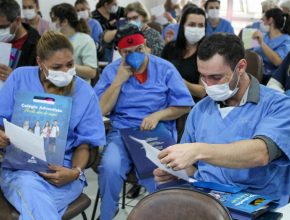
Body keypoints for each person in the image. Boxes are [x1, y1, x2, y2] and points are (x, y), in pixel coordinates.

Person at [154, 33, 290, 207]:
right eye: (203, 76)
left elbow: (260, 153)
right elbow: (193, 168)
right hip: (206, 198)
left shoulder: (278, 106)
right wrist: (177, 172)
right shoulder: (201, 109)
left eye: (216, 77)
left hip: (254, 203)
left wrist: (198, 150)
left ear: (241, 67)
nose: (208, 85)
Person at [0, 31, 106, 219]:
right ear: (40, 63)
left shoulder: (84, 92)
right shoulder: (19, 78)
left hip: (64, 173)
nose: (66, 72)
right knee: (33, 194)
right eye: (57, 67)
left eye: (70, 64)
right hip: (21, 169)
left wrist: (74, 172)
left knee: (34, 207)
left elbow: (85, 145)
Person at [94, 24, 194, 220]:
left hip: (156, 131)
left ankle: (161, 214)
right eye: (128, 52)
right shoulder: (112, 71)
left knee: (158, 175)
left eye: (139, 49)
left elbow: (184, 106)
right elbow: (99, 110)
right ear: (119, 52)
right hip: (121, 132)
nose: (135, 55)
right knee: (109, 166)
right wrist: (117, 82)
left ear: (146, 45)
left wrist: (158, 115)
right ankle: (107, 213)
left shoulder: (165, 69)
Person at [162, 6, 206, 101]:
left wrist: (180, 82)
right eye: (192, 24)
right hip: (167, 100)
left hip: (191, 105)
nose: (196, 29)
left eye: (201, 25)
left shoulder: (207, 53)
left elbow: (202, 92)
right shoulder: (170, 48)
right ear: (183, 26)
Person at [50, 3, 97, 83]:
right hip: (55, 88)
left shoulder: (85, 40)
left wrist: (66, 66)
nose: (51, 23)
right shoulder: (53, 40)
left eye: (54, 20)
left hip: (78, 89)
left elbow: (92, 72)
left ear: (64, 22)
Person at [0, 0, 40, 85]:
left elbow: (41, 82)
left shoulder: (37, 45)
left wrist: (17, 78)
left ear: (18, 20)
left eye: (2, 27)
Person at [252, 8, 290, 84]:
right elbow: (251, 52)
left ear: (270, 20)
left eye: (263, 20)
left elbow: (278, 61)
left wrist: (262, 43)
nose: (261, 23)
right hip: (254, 74)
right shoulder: (262, 35)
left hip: (270, 79)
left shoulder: (286, 40)